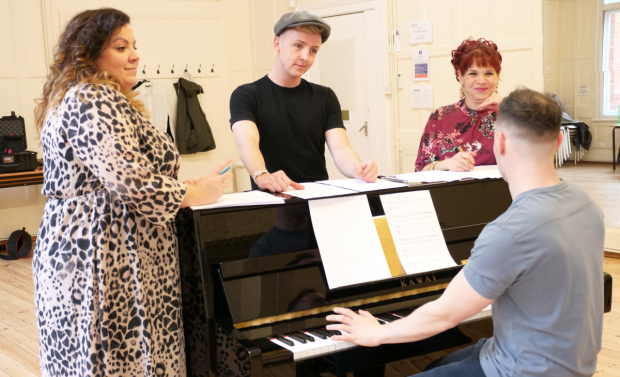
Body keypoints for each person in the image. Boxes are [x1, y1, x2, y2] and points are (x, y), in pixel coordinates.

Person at [327, 88, 605, 377]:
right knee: (438, 365)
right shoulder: (586, 204)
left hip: (522, 371)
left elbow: (444, 315)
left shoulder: (511, 230)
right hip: (571, 363)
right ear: (559, 141)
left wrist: (376, 333)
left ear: (500, 142)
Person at [32, 8, 232, 377]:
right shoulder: (92, 98)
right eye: (121, 47)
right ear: (89, 54)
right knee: (116, 357)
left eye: (134, 45)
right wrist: (194, 193)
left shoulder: (96, 97)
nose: (135, 54)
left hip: (109, 244)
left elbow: (117, 175)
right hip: (104, 253)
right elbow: (130, 182)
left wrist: (181, 187)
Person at [230, 11, 378, 192]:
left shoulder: (325, 96)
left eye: (313, 50)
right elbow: (247, 142)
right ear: (277, 44)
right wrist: (262, 175)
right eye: (298, 46)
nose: (305, 57)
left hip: (317, 199)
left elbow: (341, 149)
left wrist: (358, 169)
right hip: (272, 199)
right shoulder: (246, 95)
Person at [415, 38, 503, 172]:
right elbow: (420, 170)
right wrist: (446, 164)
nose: (482, 81)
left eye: (489, 73)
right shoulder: (440, 117)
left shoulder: (512, 115)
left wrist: (511, 108)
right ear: (460, 76)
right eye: (473, 73)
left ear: (498, 75)